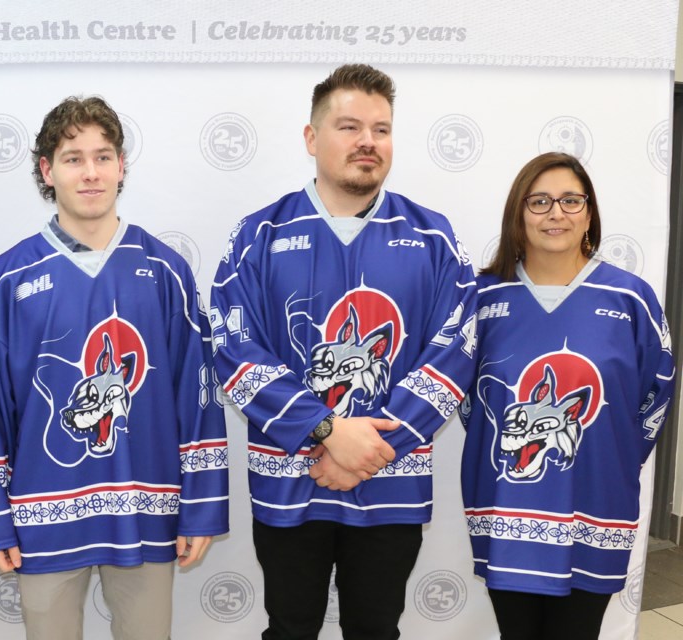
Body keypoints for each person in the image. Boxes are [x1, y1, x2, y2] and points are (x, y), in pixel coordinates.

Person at [210, 64, 478, 639]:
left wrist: (372, 445)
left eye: (381, 130)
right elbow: (234, 348)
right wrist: (328, 430)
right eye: (350, 126)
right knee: (290, 628)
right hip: (290, 476)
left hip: (392, 478)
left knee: (376, 630)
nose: (367, 142)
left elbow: (456, 348)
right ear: (312, 138)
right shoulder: (260, 235)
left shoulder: (433, 237)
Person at [0, 95, 229, 640]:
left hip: (146, 508)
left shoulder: (165, 270)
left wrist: (202, 506)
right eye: (73, 157)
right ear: (46, 170)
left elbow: (197, 396)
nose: (90, 173)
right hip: (42, 513)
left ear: (122, 166)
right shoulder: (9, 277)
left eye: (103, 157)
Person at [458, 152, 674, 640]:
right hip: (507, 506)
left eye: (570, 200)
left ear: (589, 213)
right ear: (518, 213)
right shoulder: (482, 299)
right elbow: (471, 400)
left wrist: (610, 457)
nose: (556, 213)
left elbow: (656, 390)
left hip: (596, 504)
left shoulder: (631, 298)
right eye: (540, 201)